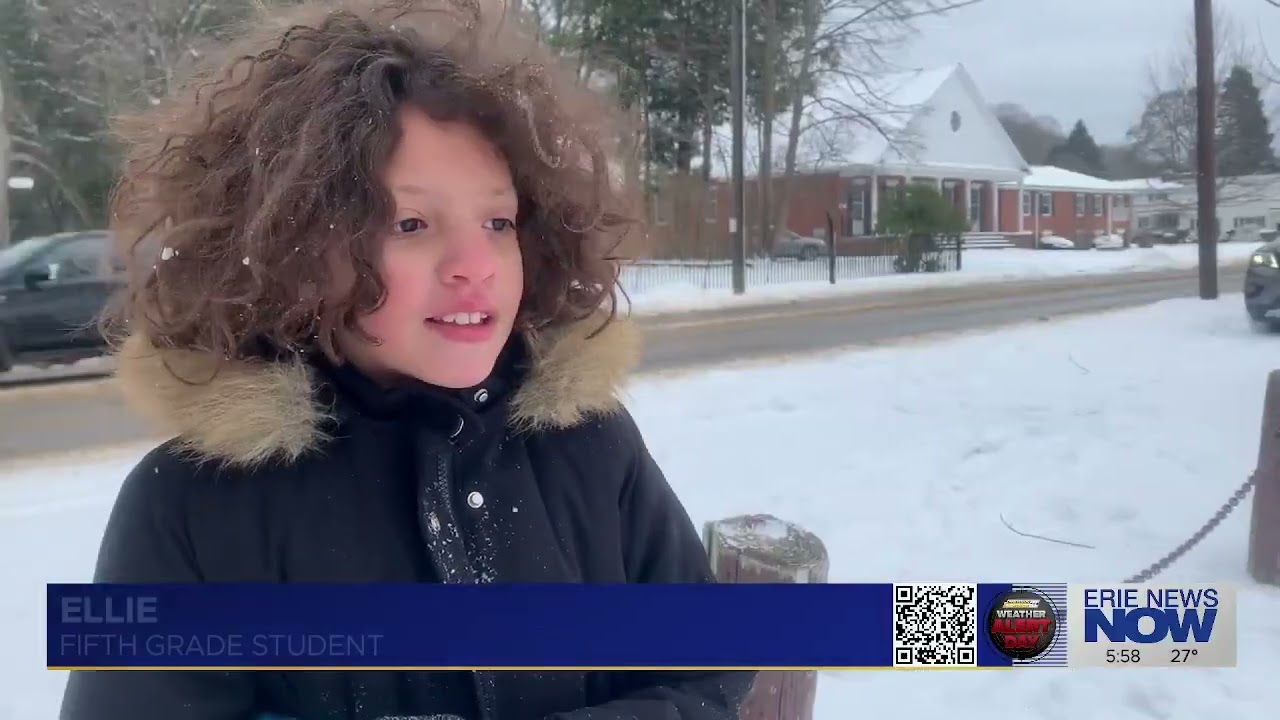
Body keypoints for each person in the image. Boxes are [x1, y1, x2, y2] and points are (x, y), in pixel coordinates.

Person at [59, 0, 754, 718]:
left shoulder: (593, 446)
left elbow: (709, 671)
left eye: (498, 221)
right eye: (412, 223)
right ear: (292, 248)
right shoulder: (191, 505)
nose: (475, 265)